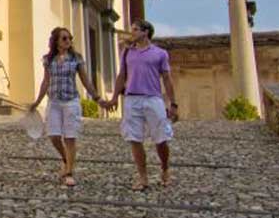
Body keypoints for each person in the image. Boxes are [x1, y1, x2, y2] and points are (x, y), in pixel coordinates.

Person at [101, 18, 177, 191]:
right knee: (134, 138)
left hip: (153, 98)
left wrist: (173, 103)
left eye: (135, 29)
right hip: (131, 99)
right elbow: (122, 75)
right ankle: (143, 177)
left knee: (161, 138)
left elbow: (167, 78)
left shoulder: (160, 53)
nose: (132, 32)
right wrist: (114, 98)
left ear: (145, 32)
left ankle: (165, 168)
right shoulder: (127, 53)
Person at [29, 27, 104, 187]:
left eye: (69, 38)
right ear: (56, 41)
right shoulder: (48, 60)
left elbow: (85, 80)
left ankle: (69, 171)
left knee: (70, 137)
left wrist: (97, 97)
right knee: (54, 136)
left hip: (71, 101)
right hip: (54, 101)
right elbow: (45, 82)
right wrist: (37, 102)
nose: (68, 41)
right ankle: (65, 159)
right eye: (64, 38)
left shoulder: (76, 58)